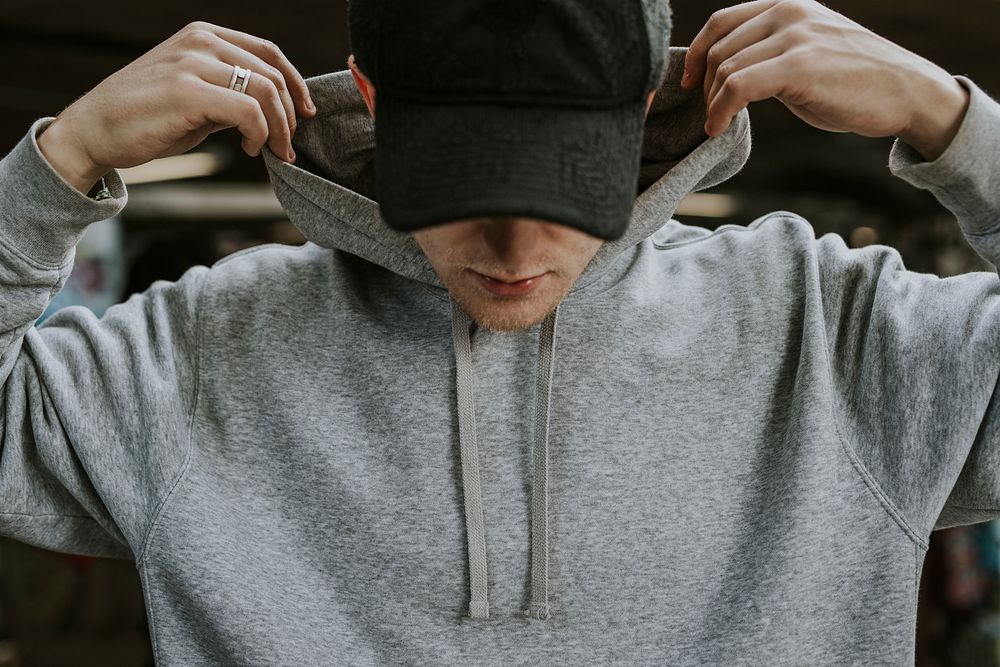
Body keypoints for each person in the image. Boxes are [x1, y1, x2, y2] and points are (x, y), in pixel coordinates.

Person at [1, 0, 998, 663]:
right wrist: (58, 163)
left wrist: (953, 123)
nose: (516, 241)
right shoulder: (196, 353)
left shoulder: (832, 331)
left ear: (645, 102)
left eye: (564, 179)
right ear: (376, 102)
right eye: (468, 178)